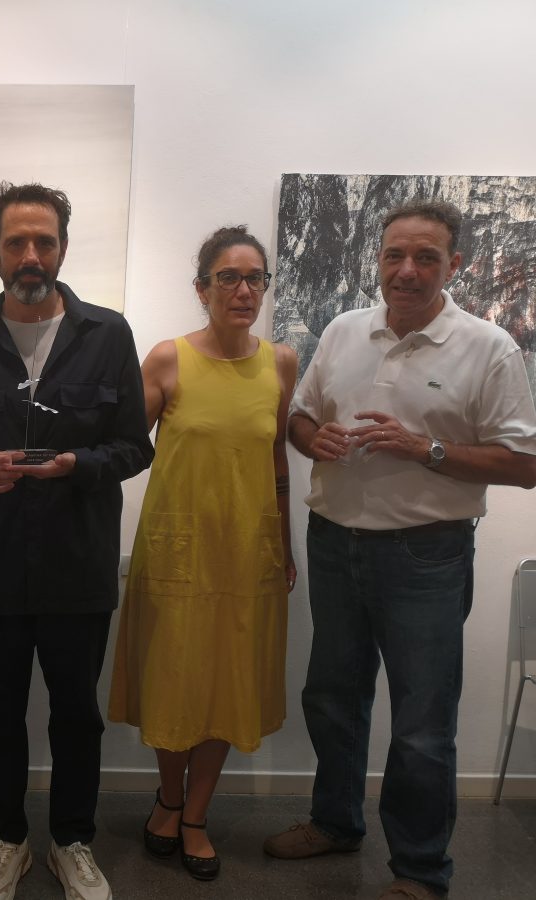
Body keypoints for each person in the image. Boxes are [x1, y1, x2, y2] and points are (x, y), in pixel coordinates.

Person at [263, 200, 536, 900]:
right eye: (394, 255)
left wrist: (426, 449)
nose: (407, 270)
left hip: (427, 555)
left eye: (426, 257)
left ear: (455, 264)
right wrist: (313, 438)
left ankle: (419, 870)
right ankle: (335, 822)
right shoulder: (345, 330)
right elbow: (300, 418)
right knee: (332, 696)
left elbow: (524, 464)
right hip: (334, 543)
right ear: (378, 259)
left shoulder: (488, 347)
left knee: (421, 723)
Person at [0, 182, 154, 900]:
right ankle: (7, 839)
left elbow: (135, 447)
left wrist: (76, 465)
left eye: (44, 241)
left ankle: (71, 841)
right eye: (16, 242)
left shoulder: (108, 335)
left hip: (78, 567)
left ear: (62, 248)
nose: (31, 255)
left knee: (77, 715)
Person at [107, 226, 297, 882]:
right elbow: (120, 448)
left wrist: (285, 544)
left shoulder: (281, 363)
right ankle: (168, 798)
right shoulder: (168, 360)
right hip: (178, 551)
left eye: (255, 278)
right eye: (228, 278)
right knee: (176, 680)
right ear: (202, 289)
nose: (243, 291)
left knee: (227, 683)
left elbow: (277, 458)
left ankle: (195, 815)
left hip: (248, 552)